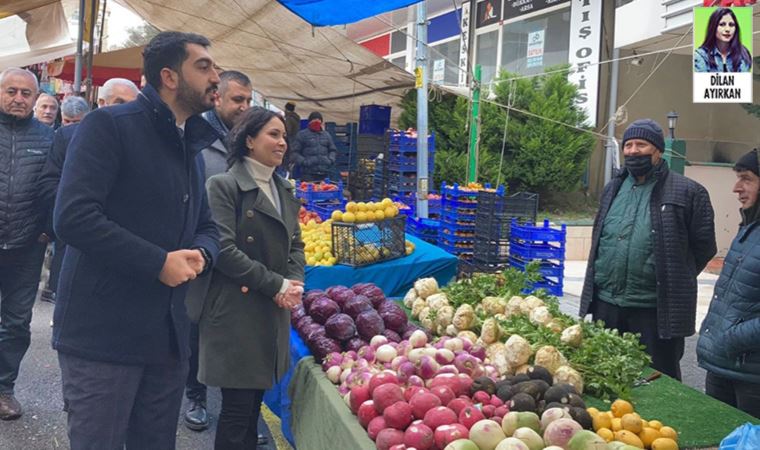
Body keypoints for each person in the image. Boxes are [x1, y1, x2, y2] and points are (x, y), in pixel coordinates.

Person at [52, 31, 221, 448]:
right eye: (203, 67)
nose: (215, 76)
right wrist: (158, 262)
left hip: (166, 337)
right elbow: (73, 217)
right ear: (169, 76)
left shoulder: (191, 144)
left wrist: (202, 253)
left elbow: (208, 225)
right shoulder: (108, 125)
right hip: (103, 336)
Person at [199, 107, 305, 449]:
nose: (282, 143)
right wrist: (277, 285)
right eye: (273, 135)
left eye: (284, 136)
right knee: (236, 411)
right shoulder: (224, 186)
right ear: (248, 140)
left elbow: (296, 244)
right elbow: (224, 250)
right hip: (236, 311)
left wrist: (294, 282)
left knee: (251, 408)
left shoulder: (284, 189)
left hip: (272, 310)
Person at [580, 119, 717, 380]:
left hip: (654, 312)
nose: (633, 151)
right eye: (628, 145)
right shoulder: (613, 188)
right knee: (605, 377)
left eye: (641, 145)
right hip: (607, 305)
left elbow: (704, 247)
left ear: (658, 151)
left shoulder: (689, 192)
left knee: (657, 381)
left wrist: (672, 274)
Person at [183, 69, 252, 432]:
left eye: (248, 100)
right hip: (202, 247)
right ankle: (194, 395)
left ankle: (235, 410)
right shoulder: (195, 136)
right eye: (237, 99)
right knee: (196, 325)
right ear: (218, 99)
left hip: (242, 252)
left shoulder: (249, 141)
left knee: (232, 330)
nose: (244, 106)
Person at [37, 78, 139, 305]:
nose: (125, 109)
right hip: (79, 239)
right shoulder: (69, 136)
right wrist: (75, 208)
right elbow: (49, 182)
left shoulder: (142, 143)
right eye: (119, 101)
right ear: (101, 102)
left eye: (131, 104)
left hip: (123, 243)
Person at [0, 68, 55, 420]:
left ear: (36, 99)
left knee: (16, 322)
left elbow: (59, 187)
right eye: (11, 91)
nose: (18, 98)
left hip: (26, 247)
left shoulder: (50, 139)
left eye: (25, 93)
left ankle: (4, 389)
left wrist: (48, 229)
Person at [696, 148, 760, 419]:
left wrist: (731, 338)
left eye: (746, 179)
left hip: (751, 375)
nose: (737, 188)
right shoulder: (749, 227)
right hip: (725, 366)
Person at [694, 7, 752, 73]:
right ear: (713, 27)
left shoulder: (743, 53)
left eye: (731, 25)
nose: (727, 29)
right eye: (722, 24)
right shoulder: (701, 55)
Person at [290, 111, 337, 181]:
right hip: (307, 174)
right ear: (309, 122)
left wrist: (330, 160)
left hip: (325, 173)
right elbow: (294, 152)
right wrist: (304, 161)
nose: (317, 123)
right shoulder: (302, 135)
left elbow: (333, 150)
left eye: (319, 121)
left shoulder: (327, 135)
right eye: (314, 120)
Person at [282, 101, 300, 171]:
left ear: (287, 109)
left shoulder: (289, 119)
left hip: (289, 142)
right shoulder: (296, 118)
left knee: (287, 163)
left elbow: (287, 131)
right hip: (295, 142)